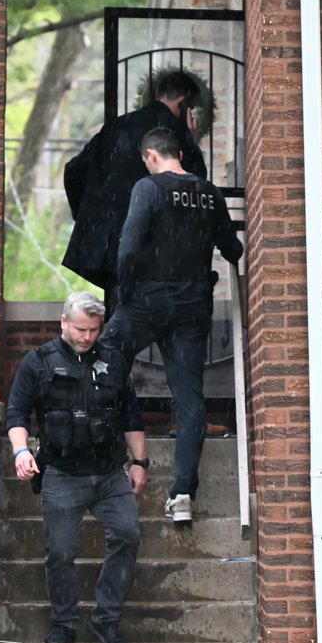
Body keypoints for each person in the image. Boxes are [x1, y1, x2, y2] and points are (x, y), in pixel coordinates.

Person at [99, 127, 243, 525]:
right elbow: (233, 249)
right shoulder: (209, 194)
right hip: (192, 305)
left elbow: (128, 247)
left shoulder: (148, 189)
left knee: (105, 361)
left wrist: (124, 295)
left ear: (150, 156)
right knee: (190, 400)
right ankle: (182, 494)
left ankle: (102, 459)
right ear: (178, 153)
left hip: (147, 299)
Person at [5, 291, 149, 643]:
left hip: (109, 473)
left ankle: (106, 618)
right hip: (62, 473)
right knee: (61, 552)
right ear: (64, 322)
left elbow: (131, 415)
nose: (87, 337)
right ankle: (64, 623)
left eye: (94, 330)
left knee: (128, 535)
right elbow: (17, 415)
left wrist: (140, 462)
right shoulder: (37, 363)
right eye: (81, 329)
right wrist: (21, 451)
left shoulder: (113, 362)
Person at [62, 69, 208, 313]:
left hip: (110, 247)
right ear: (183, 104)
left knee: (120, 323)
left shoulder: (116, 126)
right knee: (161, 326)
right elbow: (196, 186)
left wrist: (91, 219)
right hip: (157, 250)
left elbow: (73, 171)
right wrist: (191, 142)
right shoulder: (175, 135)